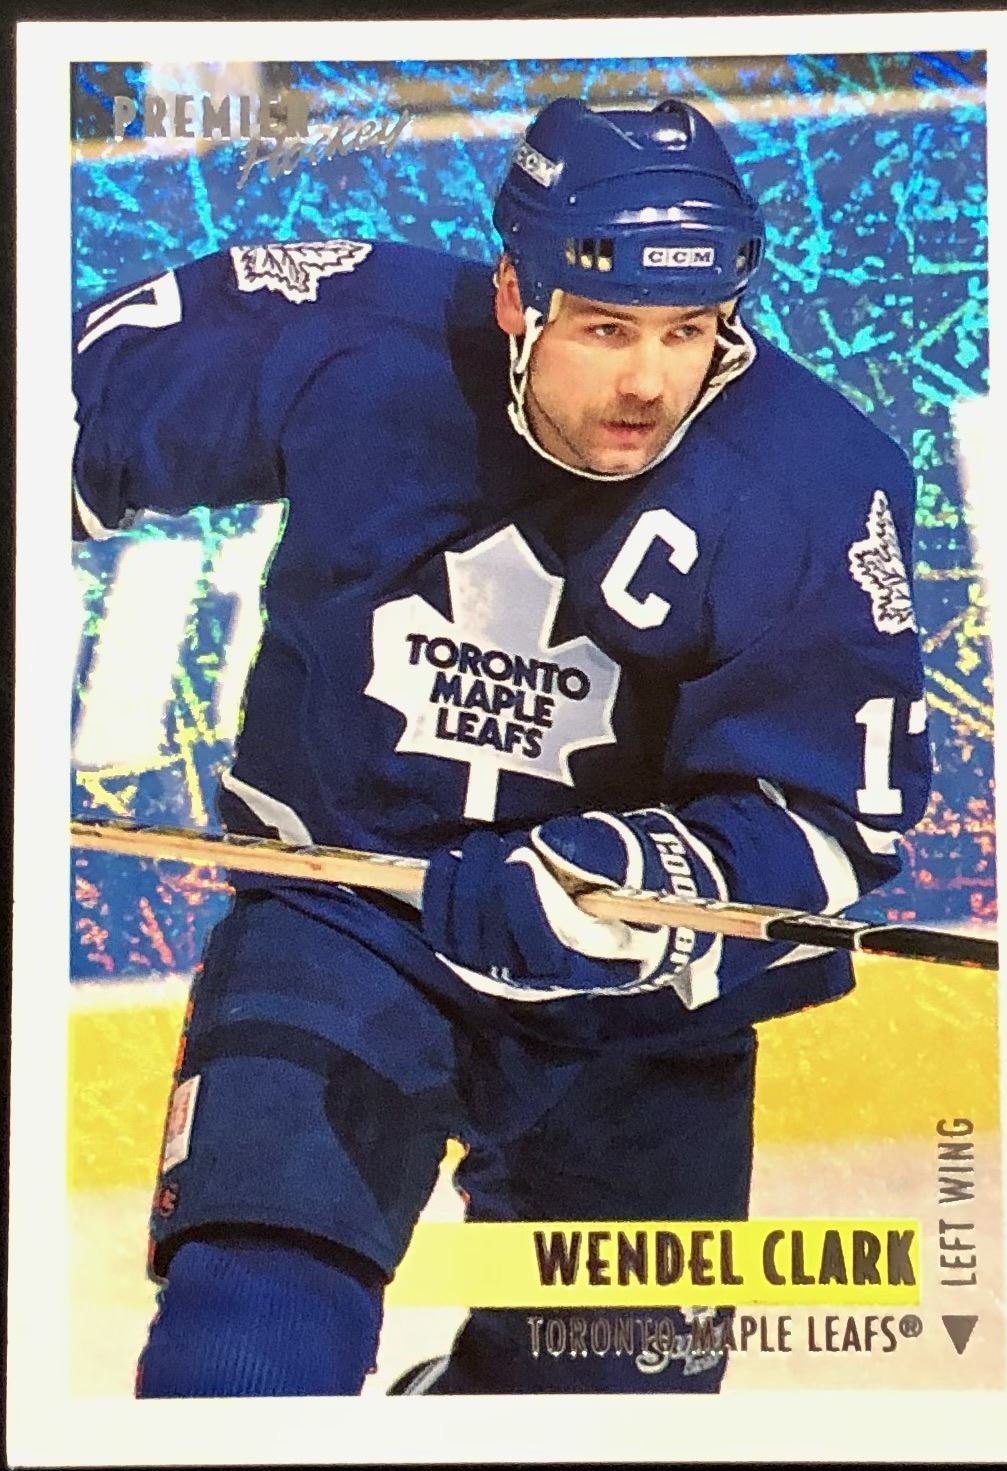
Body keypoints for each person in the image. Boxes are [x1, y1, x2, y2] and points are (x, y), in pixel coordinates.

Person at [72, 96, 931, 1396]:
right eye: (605, 328)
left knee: (603, 1412)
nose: (650, 381)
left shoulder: (816, 482)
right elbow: (66, 411)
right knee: (243, 1353)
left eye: (687, 330)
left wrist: (638, 885)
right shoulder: (353, 332)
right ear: (517, 295)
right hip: (349, 922)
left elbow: (830, 819)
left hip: (647, 1017)